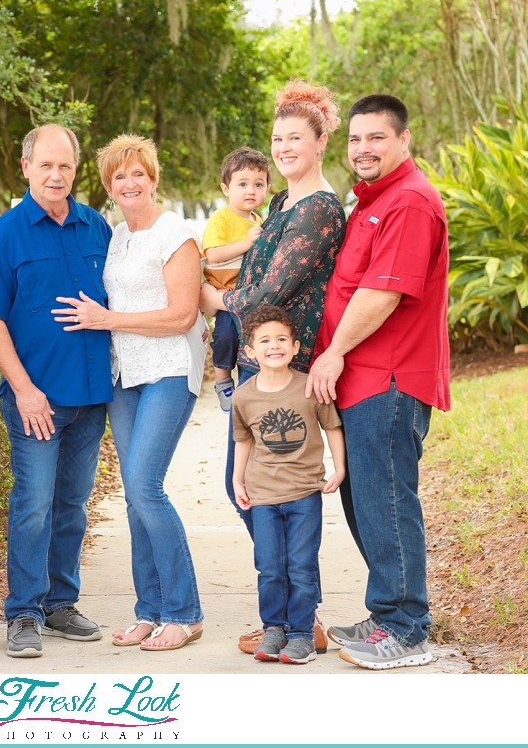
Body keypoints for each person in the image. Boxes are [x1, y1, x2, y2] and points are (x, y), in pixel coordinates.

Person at [199, 80, 347, 653]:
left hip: (293, 365)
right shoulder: (282, 203)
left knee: (275, 496)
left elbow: (275, 288)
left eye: (295, 138)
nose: (284, 147)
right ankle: (288, 615)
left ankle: (297, 617)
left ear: (320, 142)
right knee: (253, 492)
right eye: (277, 137)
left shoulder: (318, 210)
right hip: (259, 367)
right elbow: (249, 265)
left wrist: (212, 303)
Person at [306, 93, 450, 670]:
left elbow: (384, 292)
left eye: (376, 138)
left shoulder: (411, 202)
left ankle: (407, 627)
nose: (362, 149)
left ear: (404, 140)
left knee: (387, 499)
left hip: (388, 379)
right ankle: (387, 609)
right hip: (362, 381)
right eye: (355, 138)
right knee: (364, 499)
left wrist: (334, 352)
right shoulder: (377, 200)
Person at [53, 134, 206, 652]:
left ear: (153, 177)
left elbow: (183, 315)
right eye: (119, 176)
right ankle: (150, 610)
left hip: (168, 370)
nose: (129, 182)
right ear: (108, 186)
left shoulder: (175, 234)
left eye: (137, 173)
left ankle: (184, 611)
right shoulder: (116, 236)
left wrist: (106, 319)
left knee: (145, 487)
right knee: (136, 500)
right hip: (125, 377)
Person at [0, 124, 112, 658]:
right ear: (26, 166)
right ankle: (24, 612)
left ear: (75, 171)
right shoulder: (5, 235)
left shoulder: (96, 227)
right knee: (33, 504)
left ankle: (60, 603)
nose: (56, 175)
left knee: (73, 504)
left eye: (65, 167)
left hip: (90, 395)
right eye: (46, 166)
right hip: (36, 398)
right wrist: (25, 389)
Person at [231, 304, 345, 665]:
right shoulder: (244, 396)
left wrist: (338, 468)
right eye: (264, 340)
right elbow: (243, 440)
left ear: (295, 347)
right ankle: (274, 630)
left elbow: (332, 426)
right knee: (269, 567)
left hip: (304, 495)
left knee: (301, 565)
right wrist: (237, 479)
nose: (274, 345)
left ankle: (301, 636)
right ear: (250, 352)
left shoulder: (309, 387)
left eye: (282, 339)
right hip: (263, 496)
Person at [202, 147, 270, 411]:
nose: (251, 190)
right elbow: (214, 254)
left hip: (248, 295)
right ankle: (222, 381)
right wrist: (245, 242)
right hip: (225, 293)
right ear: (226, 188)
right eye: (242, 184)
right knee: (226, 333)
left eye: (258, 184)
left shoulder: (258, 219)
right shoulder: (222, 217)